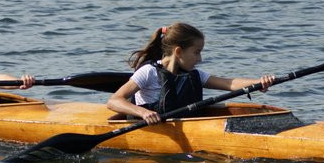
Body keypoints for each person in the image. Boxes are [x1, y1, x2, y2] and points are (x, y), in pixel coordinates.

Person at [107, 22, 274, 124]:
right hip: (150, 128)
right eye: (196, 52)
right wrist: (143, 113)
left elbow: (228, 83)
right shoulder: (148, 72)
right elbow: (114, 101)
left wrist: (259, 83)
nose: (199, 58)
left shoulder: (195, 74)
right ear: (178, 51)